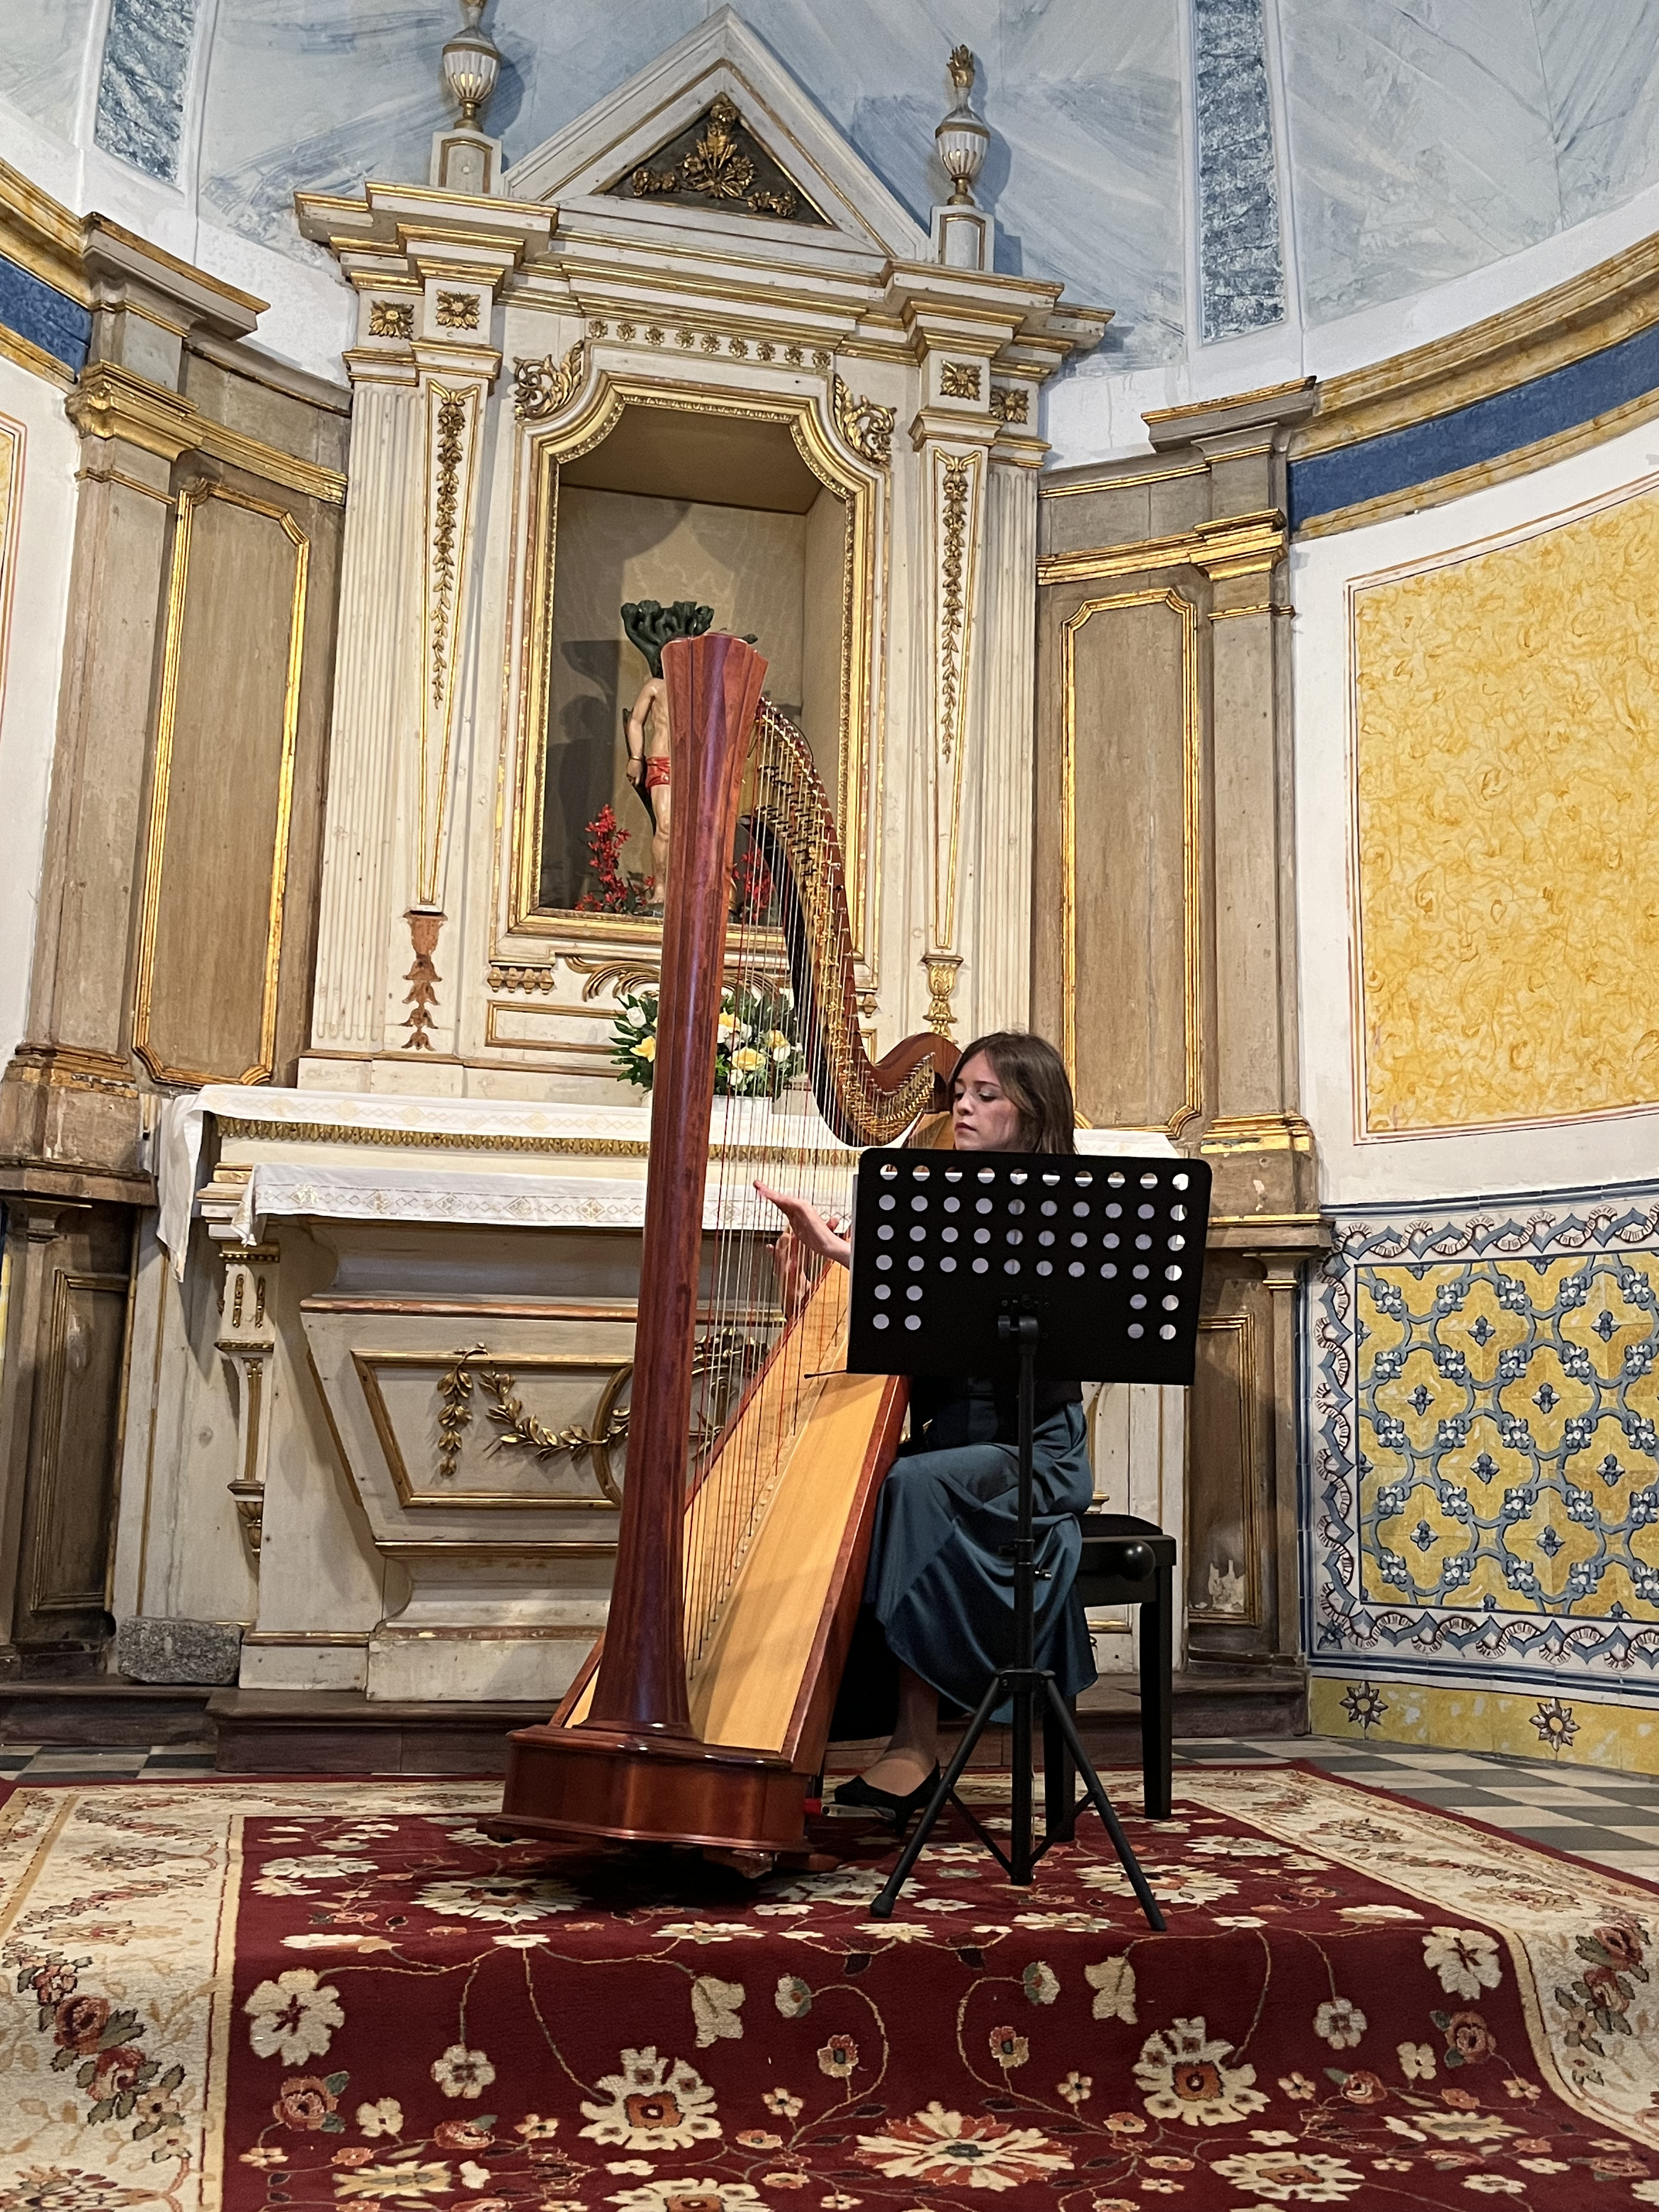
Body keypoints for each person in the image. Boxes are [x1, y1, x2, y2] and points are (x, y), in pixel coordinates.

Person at [754, 1030, 1097, 1824]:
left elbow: (968, 1319)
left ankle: (916, 1743)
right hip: (957, 1448)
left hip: (1031, 1454)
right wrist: (803, 1290)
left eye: (987, 1095)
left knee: (907, 1484)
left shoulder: (1062, 1218)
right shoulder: (935, 1207)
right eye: (961, 1093)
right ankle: (802, 1735)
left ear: (1033, 1109)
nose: (964, 1107)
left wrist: (848, 1254)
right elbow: (874, 1347)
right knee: (854, 1494)